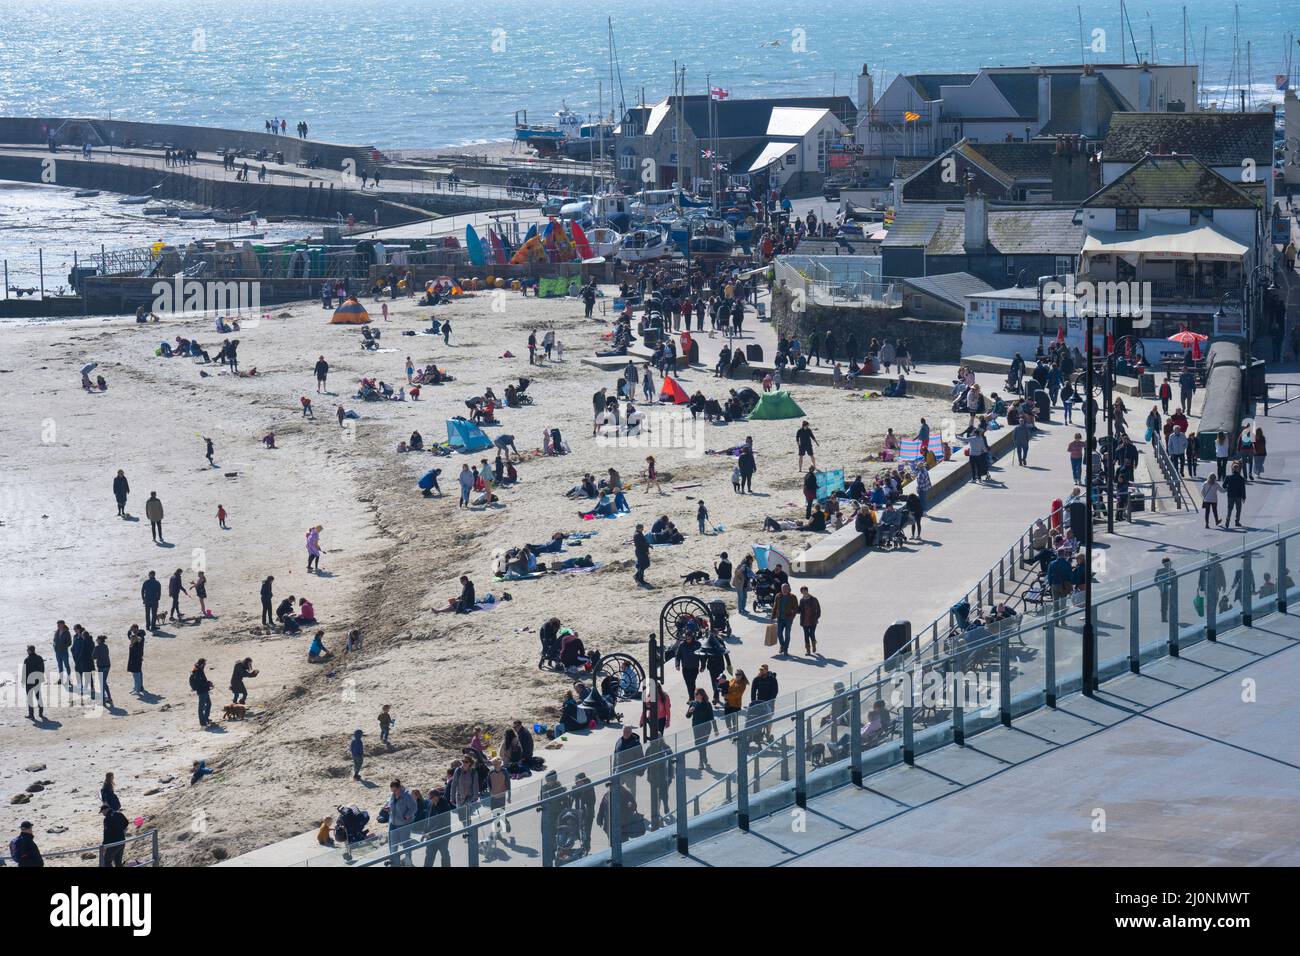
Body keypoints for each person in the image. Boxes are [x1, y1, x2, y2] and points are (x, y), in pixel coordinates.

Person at [686, 689, 716, 770]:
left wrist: (715, 729)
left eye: (697, 694)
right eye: (695, 693)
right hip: (696, 727)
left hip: (706, 727)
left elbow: (712, 717)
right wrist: (690, 711)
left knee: (702, 744)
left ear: (701, 695)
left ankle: (701, 762)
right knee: (698, 744)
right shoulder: (693, 703)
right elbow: (687, 716)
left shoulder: (707, 704)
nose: (695, 695)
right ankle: (704, 757)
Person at [770, 583, 799, 656]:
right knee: (779, 633)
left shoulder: (793, 597)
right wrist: (772, 617)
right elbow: (775, 606)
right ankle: (782, 645)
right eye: (783, 588)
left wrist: (792, 616)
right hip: (780, 618)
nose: (785, 590)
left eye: (786, 588)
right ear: (781, 589)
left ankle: (785, 649)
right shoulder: (778, 596)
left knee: (787, 634)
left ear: (789, 589)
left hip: (788, 619)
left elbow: (796, 608)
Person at [100, 802, 130, 867]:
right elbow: (126, 822)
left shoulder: (107, 819)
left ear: (106, 809)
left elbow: (107, 833)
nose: (103, 814)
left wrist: (104, 845)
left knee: (107, 862)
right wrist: (121, 831)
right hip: (122, 841)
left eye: (102, 812)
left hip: (113, 843)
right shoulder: (119, 814)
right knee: (118, 862)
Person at [798, 586, 821, 655]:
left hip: (813, 621)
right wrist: (793, 609)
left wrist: (816, 618)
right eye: (802, 591)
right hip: (804, 621)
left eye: (805, 591)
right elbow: (799, 610)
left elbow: (819, 610)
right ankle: (808, 650)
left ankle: (814, 644)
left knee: (811, 634)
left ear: (807, 591)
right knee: (806, 635)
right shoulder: (801, 600)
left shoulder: (814, 599)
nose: (804, 592)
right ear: (801, 592)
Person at [190, 658, 213, 726]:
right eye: (204, 663)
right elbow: (200, 683)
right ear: (202, 664)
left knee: (208, 704)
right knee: (201, 707)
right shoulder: (198, 671)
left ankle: (206, 718)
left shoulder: (199, 670)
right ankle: (202, 722)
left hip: (204, 690)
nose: (205, 665)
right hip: (202, 691)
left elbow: (202, 681)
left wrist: (208, 683)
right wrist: (208, 683)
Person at [1223, 461, 1247, 528]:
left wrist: (1229, 487)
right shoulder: (1241, 478)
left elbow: (1223, 486)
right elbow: (1243, 489)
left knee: (1229, 509)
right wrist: (1244, 497)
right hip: (1238, 496)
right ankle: (1237, 521)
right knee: (1238, 509)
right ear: (1238, 469)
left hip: (1230, 495)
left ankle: (1227, 520)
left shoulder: (1228, 477)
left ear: (1232, 469)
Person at [93, 635, 113, 706]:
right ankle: (109, 698)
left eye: (97, 639)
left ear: (100, 640)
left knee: (102, 683)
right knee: (104, 682)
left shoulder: (97, 647)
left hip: (101, 666)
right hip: (107, 665)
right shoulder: (106, 646)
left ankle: (104, 700)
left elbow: (94, 657)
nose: (96, 640)